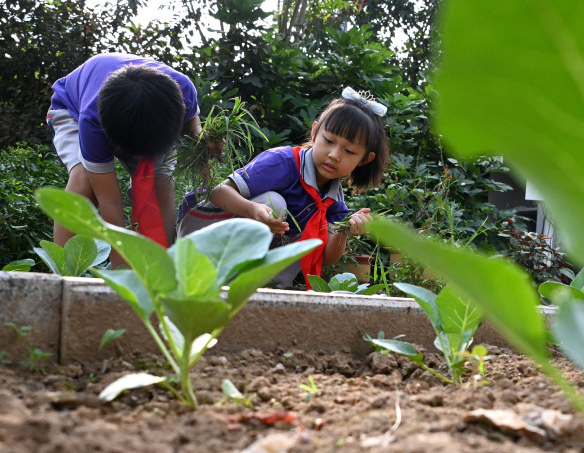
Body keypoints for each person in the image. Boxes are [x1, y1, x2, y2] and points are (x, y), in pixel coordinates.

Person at [177, 88, 390, 289]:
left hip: (239, 252)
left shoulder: (332, 198)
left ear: (364, 159)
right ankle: (217, 281)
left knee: (305, 237)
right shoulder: (282, 162)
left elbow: (325, 257)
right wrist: (252, 210)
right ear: (315, 132)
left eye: (349, 151)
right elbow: (218, 191)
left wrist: (345, 231)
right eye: (329, 141)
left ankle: (267, 293)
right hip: (200, 232)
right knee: (275, 203)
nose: (334, 154)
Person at [48, 53, 206, 266]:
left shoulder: (182, 90)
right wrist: (121, 272)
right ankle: (64, 273)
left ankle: (161, 266)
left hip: (150, 119)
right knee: (83, 182)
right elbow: (110, 204)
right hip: (71, 110)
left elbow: (192, 125)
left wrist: (204, 141)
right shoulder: (92, 122)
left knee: (159, 185)